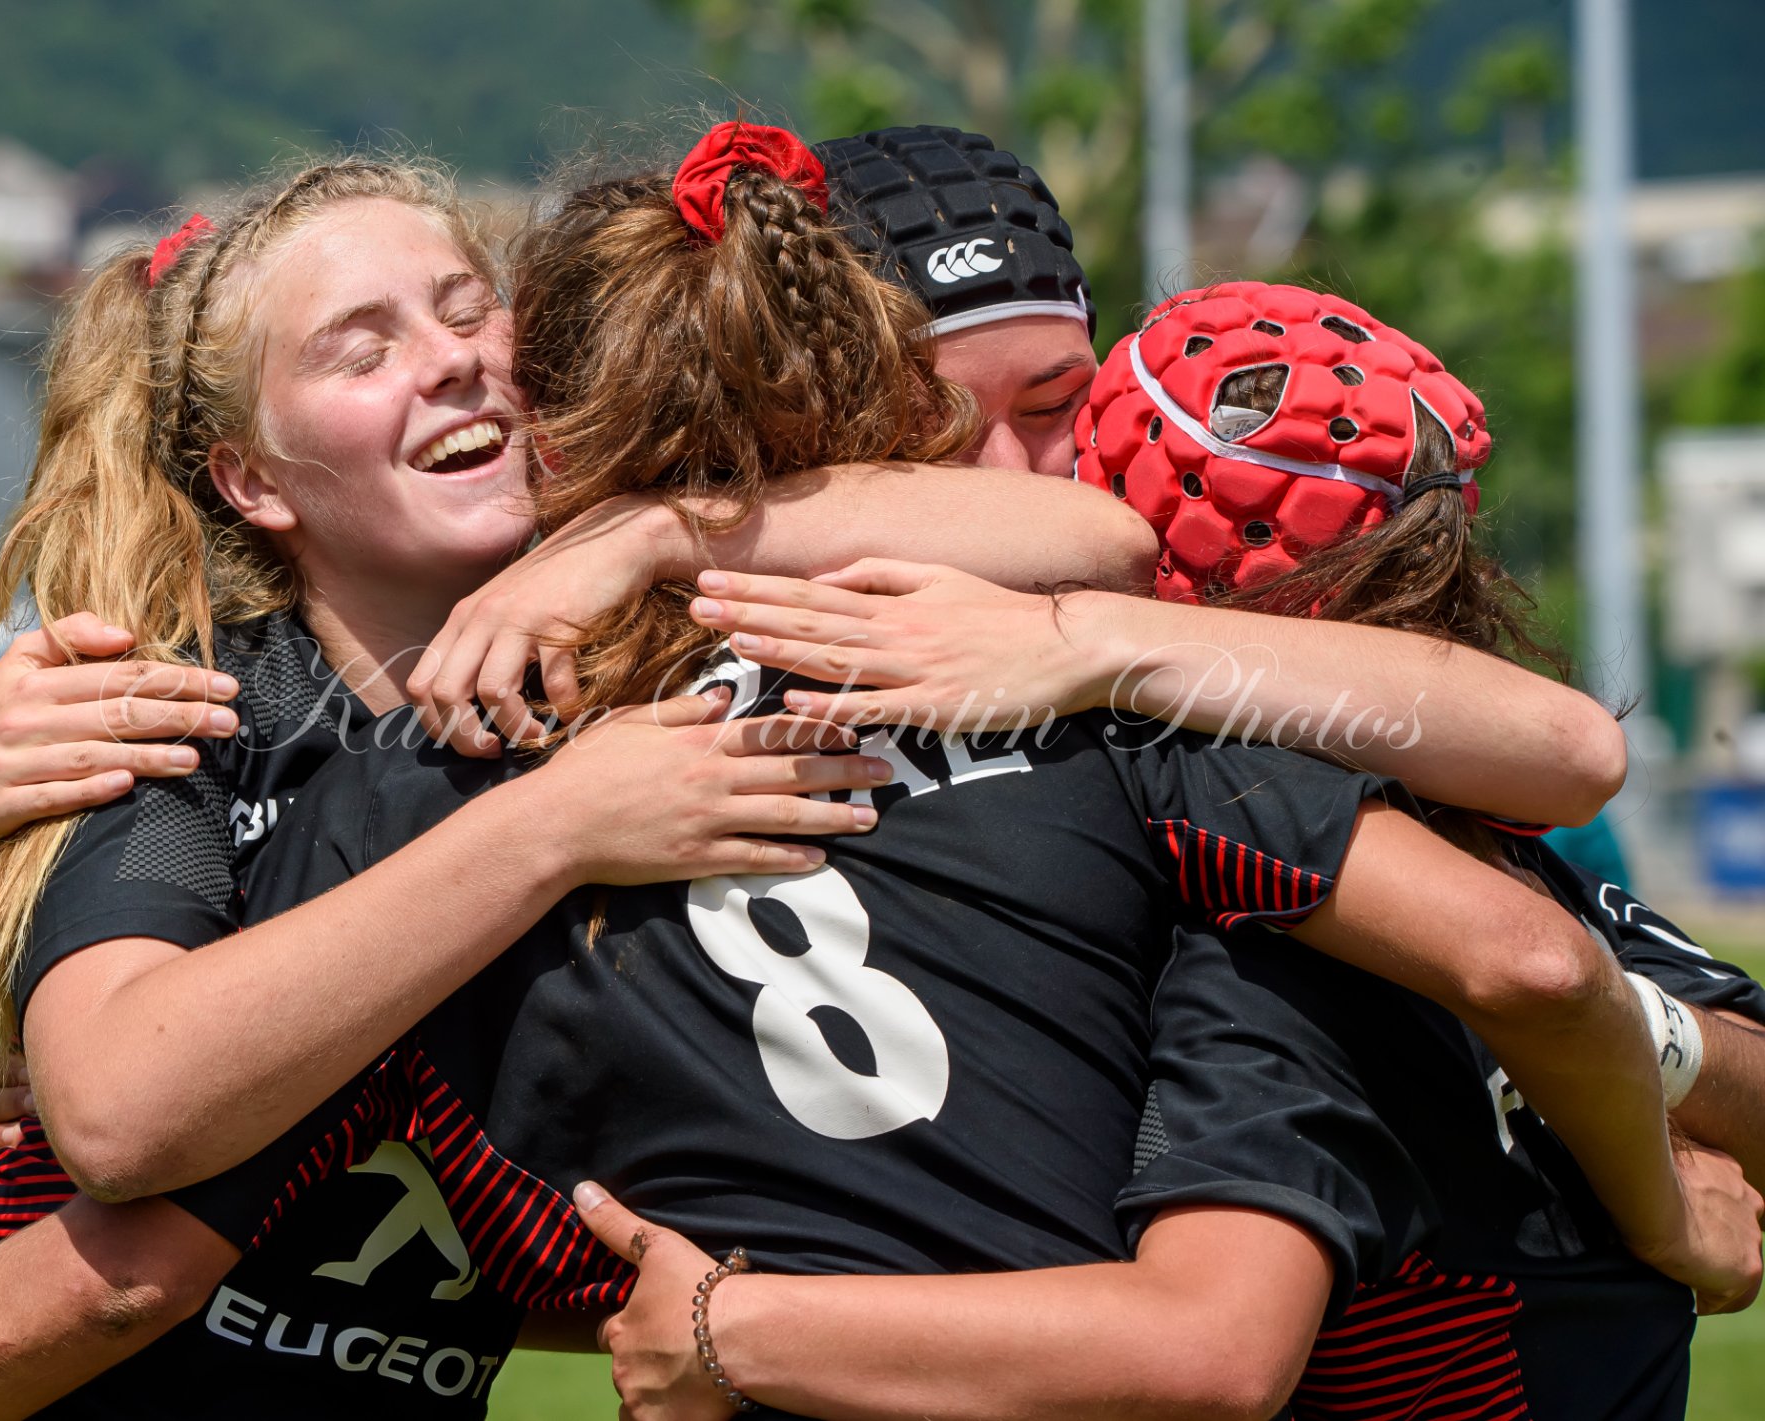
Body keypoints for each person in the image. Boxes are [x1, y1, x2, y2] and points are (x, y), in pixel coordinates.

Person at [0, 133, 1719, 1421]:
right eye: (360, 345)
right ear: (250, 480)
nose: (447, 361)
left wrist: (636, 551)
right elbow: (115, 1162)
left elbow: (1523, 880)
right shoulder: (296, 749)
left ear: (554, 384)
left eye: (467, 309)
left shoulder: (1005, 656)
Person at [637, 280, 1765, 1419]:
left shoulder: (1362, 870)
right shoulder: (1272, 894)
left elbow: (1559, 974)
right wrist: (1638, 1128)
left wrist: (1618, 1047)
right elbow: (1542, 971)